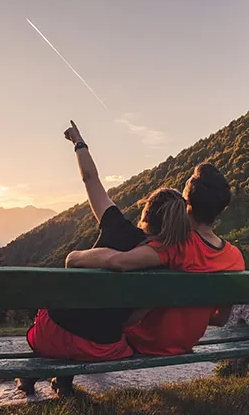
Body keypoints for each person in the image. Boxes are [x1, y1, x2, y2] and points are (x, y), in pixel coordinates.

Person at [17, 121, 193, 395]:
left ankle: (30, 376)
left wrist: (79, 142)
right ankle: (63, 382)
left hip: (54, 336)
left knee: (57, 318)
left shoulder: (116, 225)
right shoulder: (165, 262)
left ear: (145, 211)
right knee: (92, 327)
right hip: (101, 348)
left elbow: (90, 179)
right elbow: (129, 321)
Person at [66, 145, 245, 357]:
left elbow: (121, 262)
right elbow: (220, 319)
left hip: (145, 340)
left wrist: (76, 257)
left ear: (186, 205)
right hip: (184, 343)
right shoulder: (235, 257)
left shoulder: (177, 245)